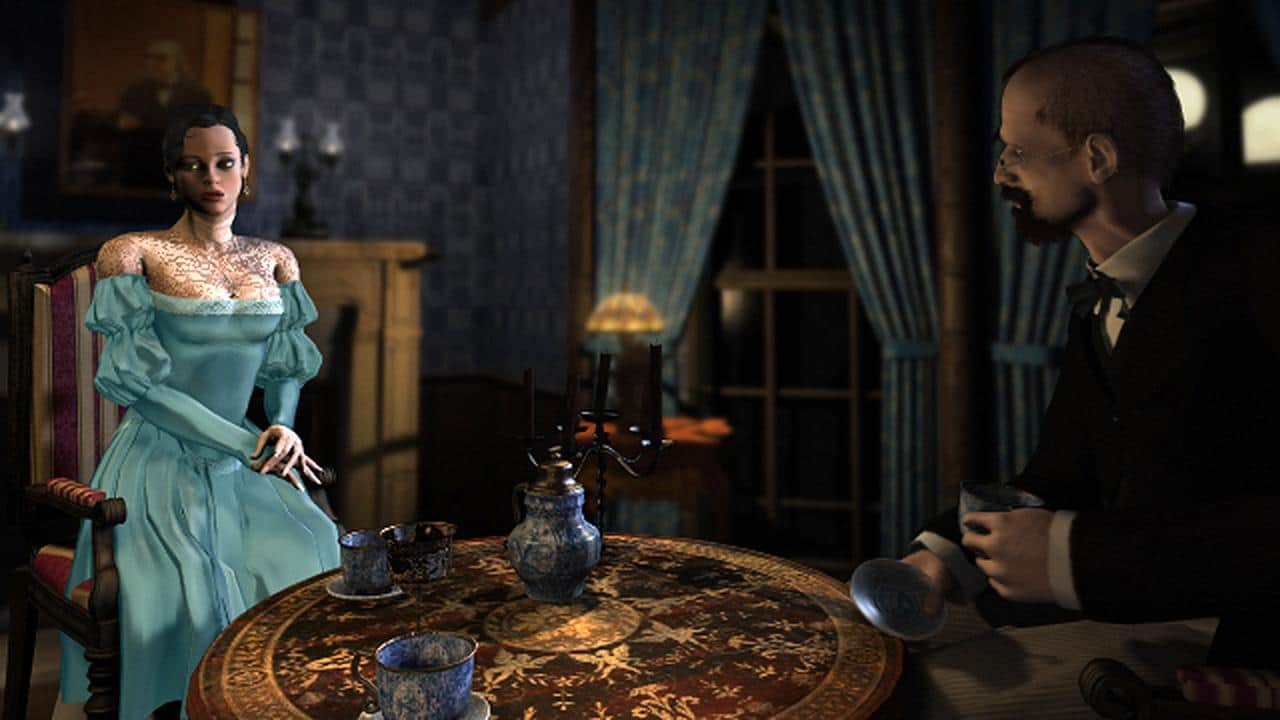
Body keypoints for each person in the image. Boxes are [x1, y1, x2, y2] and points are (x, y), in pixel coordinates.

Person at [903, 36, 1280, 672]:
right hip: (1145, 627)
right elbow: (1060, 476)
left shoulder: (1262, 266)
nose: (1000, 173)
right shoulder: (1101, 297)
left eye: (1018, 151)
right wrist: (944, 555)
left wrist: (1075, 558)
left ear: (1097, 158)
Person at [55, 105, 341, 719]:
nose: (211, 177)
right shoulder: (132, 252)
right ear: (172, 175)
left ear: (246, 169)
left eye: (224, 163)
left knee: (316, 544)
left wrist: (282, 426)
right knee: (197, 592)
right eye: (194, 165)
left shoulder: (277, 259)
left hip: (247, 459)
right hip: (157, 461)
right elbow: (139, 388)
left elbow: (286, 369)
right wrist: (244, 445)